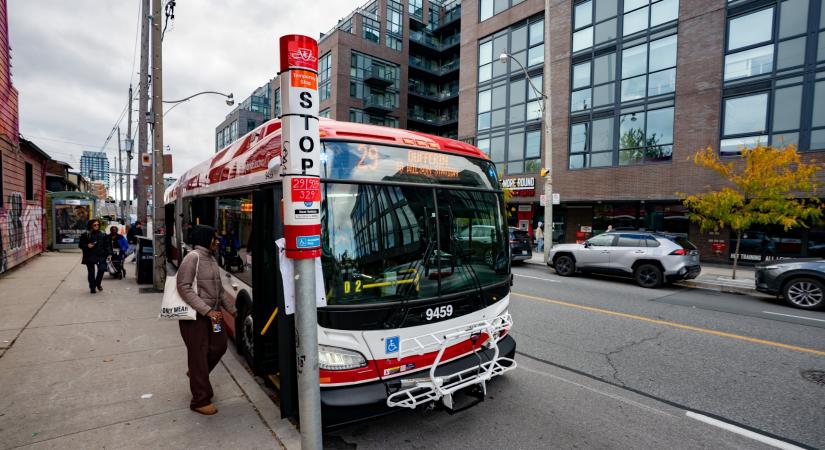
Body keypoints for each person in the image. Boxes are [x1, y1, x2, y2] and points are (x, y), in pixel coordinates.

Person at [176, 225, 237, 415]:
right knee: (199, 354)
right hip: (197, 318)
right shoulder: (192, 257)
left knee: (220, 346)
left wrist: (232, 310)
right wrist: (207, 311)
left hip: (215, 316)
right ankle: (200, 400)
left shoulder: (211, 258)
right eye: (214, 238)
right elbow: (183, 287)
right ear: (205, 238)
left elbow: (219, 291)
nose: (217, 241)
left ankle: (196, 372)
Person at [78, 219, 112, 294]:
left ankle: (98, 283)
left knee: (102, 269)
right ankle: (92, 287)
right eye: (95, 225)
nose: (97, 226)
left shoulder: (103, 234)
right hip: (90, 255)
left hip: (101, 255)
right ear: (91, 225)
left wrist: (109, 254)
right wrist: (87, 245)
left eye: (98, 225)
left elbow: (107, 245)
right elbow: (80, 245)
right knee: (91, 272)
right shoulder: (86, 234)